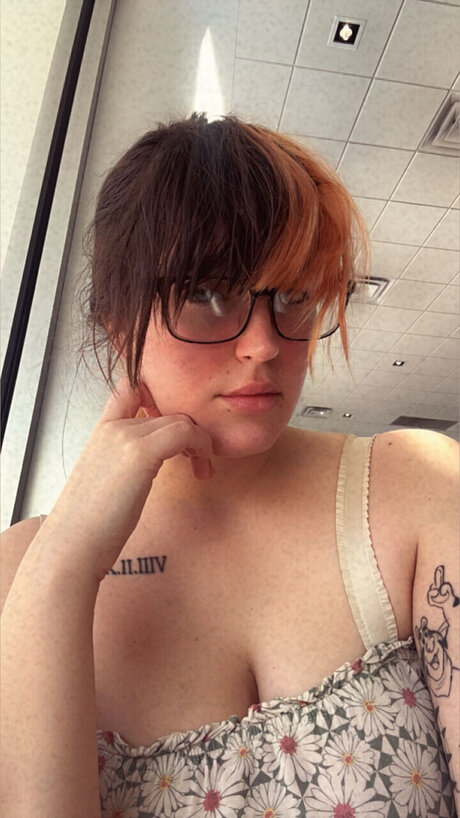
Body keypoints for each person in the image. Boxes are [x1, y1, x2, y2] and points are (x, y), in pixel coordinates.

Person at [1, 112, 458, 817]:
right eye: (207, 294)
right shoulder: (20, 570)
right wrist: (61, 568)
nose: (263, 344)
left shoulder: (413, 484)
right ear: (118, 324)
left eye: (294, 295)